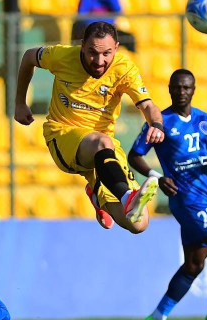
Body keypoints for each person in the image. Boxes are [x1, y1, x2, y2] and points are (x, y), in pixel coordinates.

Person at [15, 21, 164, 233]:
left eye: (107, 54)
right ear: (82, 45)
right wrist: (20, 102)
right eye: (93, 52)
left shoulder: (124, 68)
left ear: (117, 48)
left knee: (138, 224)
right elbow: (29, 56)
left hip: (104, 153)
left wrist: (156, 124)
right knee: (102, 141)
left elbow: (148, 105)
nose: (99, 61)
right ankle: (126, 195)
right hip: (63, 134)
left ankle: (97, 193)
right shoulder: (61, 56)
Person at [128, 69, 207, 320]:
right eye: (176, 88)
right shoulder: (160, 122)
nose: (181, 92)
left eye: (186, 88)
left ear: (193, 89)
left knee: (193, 264)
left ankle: (157, 318)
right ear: (169, 89)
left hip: (204, 198)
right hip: (185, 199)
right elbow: (134, 156)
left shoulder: (205, 120)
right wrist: (157, 176)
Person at [71, 0, 136, 52]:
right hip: (91, 30)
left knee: (129, 38)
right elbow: (81, 16)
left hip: (108, 30)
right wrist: (100, 22)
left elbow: (118, 10)